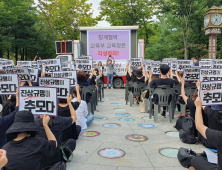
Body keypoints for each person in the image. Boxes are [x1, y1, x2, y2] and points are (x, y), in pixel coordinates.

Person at [189, 97, 222, 170]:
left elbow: (199, 126)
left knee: (195, 160)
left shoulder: (219, 136)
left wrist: (198, 106)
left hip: (209, 142)